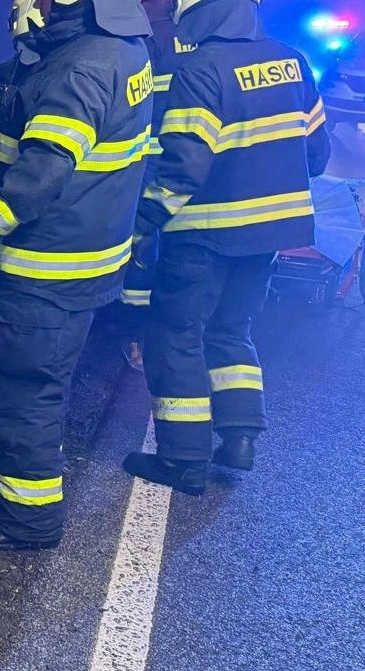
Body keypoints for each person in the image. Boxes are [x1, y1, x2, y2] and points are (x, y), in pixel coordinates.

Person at [0, 0, 153, 551]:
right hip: (82, 255)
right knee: (30, 381)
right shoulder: (121, 51)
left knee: (27, 390)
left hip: (50, 266)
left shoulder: (80, 69)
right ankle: (13, 477)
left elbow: (35, 180)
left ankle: (29, 520)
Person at [123, 0, 330, 493]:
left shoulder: (200, 69)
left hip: (205, 232)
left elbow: (182, 169)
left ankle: (182, 460)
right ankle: (240, 438)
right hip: (271, 233)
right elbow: (317, 156)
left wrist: (142, 223)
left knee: (176, 334)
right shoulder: (293, 61)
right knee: (232, 329)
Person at [119, 0, 182, 370]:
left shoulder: (142, 36)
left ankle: (136, 336)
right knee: (164, 246)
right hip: (186, 161)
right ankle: (147, 335)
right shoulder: (194, 34)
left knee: (143, 243)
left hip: (149, 160)